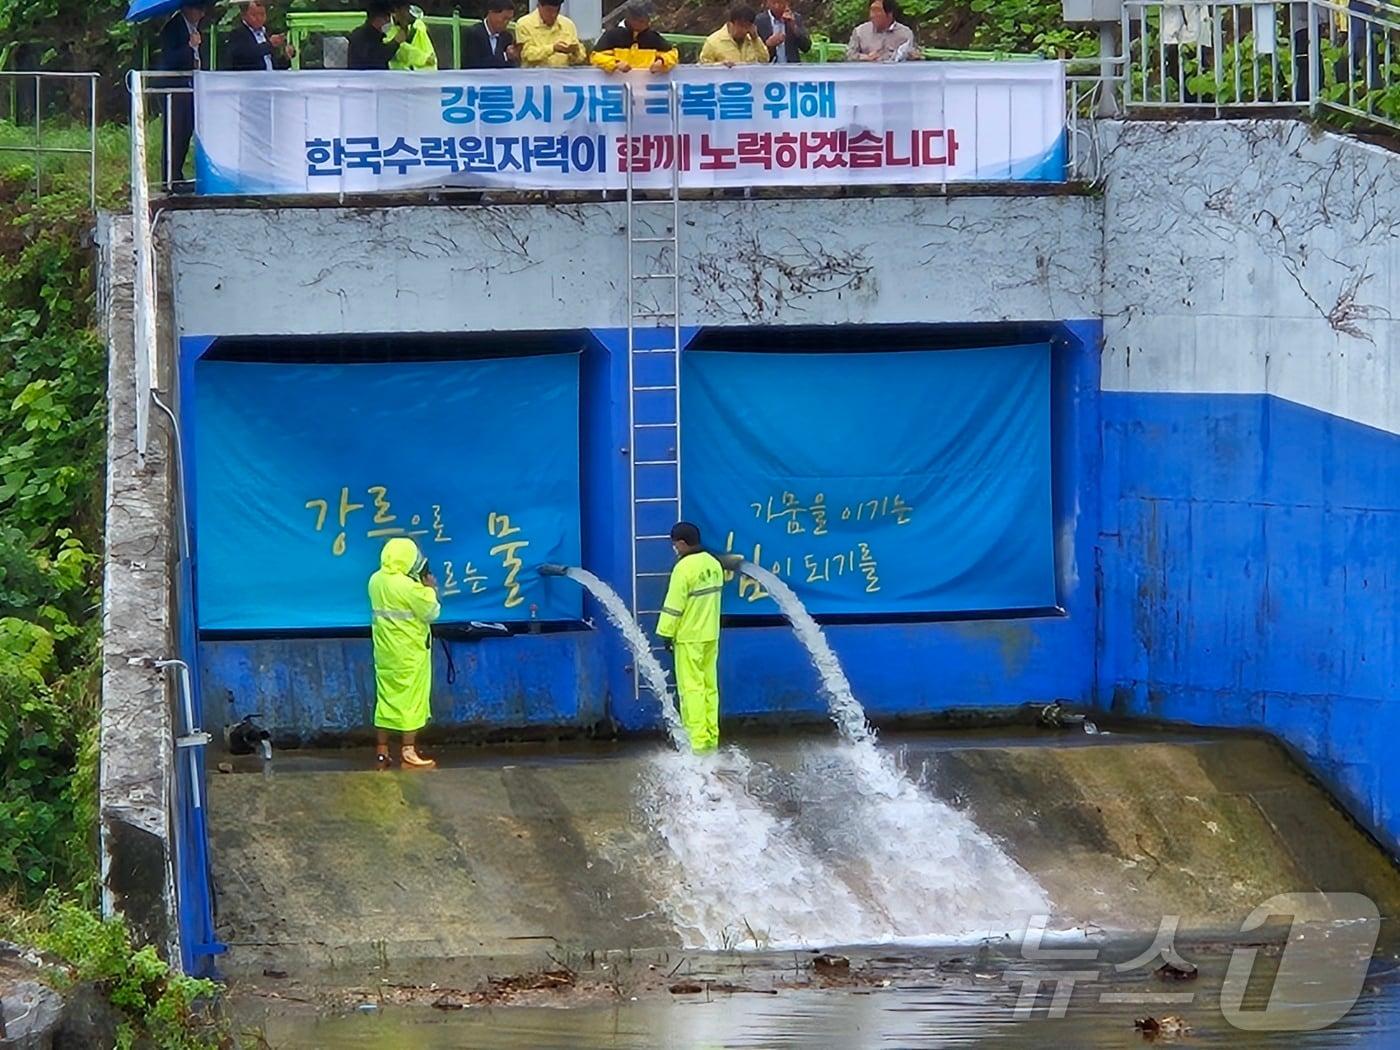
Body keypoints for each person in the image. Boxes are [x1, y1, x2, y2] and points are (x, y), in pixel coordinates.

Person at [368, 537, 441, 770]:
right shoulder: (409, 587)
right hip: (408, 652)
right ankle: (408, 752)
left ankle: (382, 751)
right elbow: (431, 612)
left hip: (385, 651)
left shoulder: (375, 580)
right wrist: (431, 590)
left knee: (386, 699)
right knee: (411, 701)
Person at [657, 522, 724, 754]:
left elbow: (674, 605)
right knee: (709, 688)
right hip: (711, 635)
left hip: (689, 637)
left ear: (682, 543)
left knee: (691, 689)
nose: (674, 548)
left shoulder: (684, 568)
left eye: (675, 544)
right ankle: (710, 738)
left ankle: (696, 743)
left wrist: (665, 632)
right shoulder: (713, 564)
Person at [157, 2, 207, 188]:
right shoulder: (173, 28)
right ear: (188, 9)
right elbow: (169, 59)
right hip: (175, 87)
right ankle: (169, 178)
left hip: (190, 86)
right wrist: (189, 46)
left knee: (186, 132)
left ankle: (177, 176)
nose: (201, 15)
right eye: (198, 10)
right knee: (174, 133)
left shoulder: (194, 27)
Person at [591, 0, 679, 74]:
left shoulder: (653, 37)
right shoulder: (613, 35)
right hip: (617, 87)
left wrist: (662, 61)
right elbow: (595, 57)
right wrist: (615, 63)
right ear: (630, 19)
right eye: (641, 21)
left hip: (646, 88)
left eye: (647, 20)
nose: (646, 24)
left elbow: (672, 54)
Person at [224, 1, 294, 71]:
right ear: (243, 15)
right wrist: (269, 44)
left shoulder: (267, 32)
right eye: (254, 15)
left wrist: (286, 58)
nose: (259, 18)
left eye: (262, 14)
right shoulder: (237, 34)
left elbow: (272, 66)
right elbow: (245, 56)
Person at [516, 0, 587, 68]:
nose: (553, 15)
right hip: (535, 76)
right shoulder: (524, 24)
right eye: (549, 11)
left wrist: (575, 52)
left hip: (561, 76)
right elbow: (527, 54)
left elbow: (580, 58)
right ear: (539, 6)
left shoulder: (568, 25)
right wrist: (553, 48)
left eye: (557, 11)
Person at [846, 0, 920, 62]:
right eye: (871, 11)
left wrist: (913, 56)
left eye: (877, 11)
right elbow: (850, 56)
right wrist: (866, 57)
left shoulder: (905, 33)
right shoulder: (860, 32)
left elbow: (914, 56)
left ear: (889, 14)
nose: (872, 15)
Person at [698, 4, 770, 66]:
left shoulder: (752, 41)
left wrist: (756, 39)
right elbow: (703, 67)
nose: (744, 30)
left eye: (747, 26)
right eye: (740, 26)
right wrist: (719, 66)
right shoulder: (713, 41)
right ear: (731, 24)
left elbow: (765, 60)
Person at [348, 1, 406, 70]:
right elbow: (377, 57)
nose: (389, 22)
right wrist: (395, 42)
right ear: (378, 19)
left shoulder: (376, 35)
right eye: (387, 18)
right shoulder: (362, 36)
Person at [463, 0, 520, 68]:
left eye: (509, 19)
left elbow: (510, 67)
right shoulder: (474, 33)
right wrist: (505, 56)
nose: (506, 23)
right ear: (491, 13)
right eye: (504, 18)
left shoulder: (506, 37)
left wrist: (514, 57)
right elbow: (474, 64)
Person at [388, 2, 439, 70]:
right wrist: (424, 59)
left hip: (423, 74)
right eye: (406, 9)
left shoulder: (418, 25)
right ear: (396, 11)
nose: (408, 12)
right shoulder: (386, 27)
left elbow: (428, 50)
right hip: (399, 75)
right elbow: (400, 51)